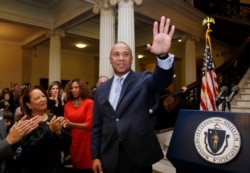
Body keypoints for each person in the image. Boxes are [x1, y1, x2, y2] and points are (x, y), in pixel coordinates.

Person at [91, 16, 175, 173]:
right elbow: (97, 126)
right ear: (110, 59)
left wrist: (162, 57)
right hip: (109, 155)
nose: (121, 58)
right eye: (116, 54)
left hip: (138, 155)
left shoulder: (144, 80)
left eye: (125, 54)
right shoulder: (101, 90)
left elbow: (161, 80)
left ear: (131, 59)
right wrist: (95, 156)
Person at [16, 85, 71, 173]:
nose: (42, 100)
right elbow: (31, 147)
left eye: (43, 96)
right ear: (28, 104)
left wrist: (60, 132)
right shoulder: (25, 121)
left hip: (55, 167)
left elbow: (67, 143)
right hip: (34, 168)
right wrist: (50, 130)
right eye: (37, 98)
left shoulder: (53, 118)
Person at [63, 78, 94, 172]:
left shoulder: (89, 103)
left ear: (82, 88)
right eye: (72, 88)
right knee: (76, 167)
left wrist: (70, 124)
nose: (73, 90)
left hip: (86, 140)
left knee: (87, 167)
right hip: (74, 140)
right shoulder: (67, 105)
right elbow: (66, 123)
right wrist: (63, 124)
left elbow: (89, 125)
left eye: (76, 87)